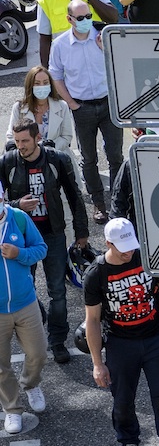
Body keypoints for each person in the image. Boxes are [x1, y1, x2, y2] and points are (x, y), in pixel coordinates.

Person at [82, 219, 159, 446]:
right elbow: (91, 320)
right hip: (121, 344)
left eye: (131, 246)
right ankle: (129, 442)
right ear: (108, 243)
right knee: (123, 399)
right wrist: (97, 364)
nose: (128, 252)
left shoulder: (146, 258)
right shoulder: (96, 274)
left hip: (155, 339)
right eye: (122, 247)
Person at [1, 122, 89, 367]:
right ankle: (37, 317)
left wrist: (81, 232)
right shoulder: (8, 161)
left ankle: (57, 341)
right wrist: (18, 205)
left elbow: (74, 195)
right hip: (22, 236)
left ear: (37, 138)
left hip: (53, 233)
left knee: (57, 291)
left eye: (25, 142)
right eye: (17, 142)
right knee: (26, 286)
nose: (21, 147)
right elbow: (1, 199)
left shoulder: (57, 159)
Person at [47, 0, 120, 224]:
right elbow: (56, 76)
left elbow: (119, 64)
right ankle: (98, 203)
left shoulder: (102, 37)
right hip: (83, 107)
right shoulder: (60, 46)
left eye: (89, 17)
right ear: (69, 19)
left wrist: (104, 50)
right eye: (81, 18)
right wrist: (71, 103)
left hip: (108, 103)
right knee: (89, 159)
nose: (87, 21)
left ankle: (119, 200)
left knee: (116, 156)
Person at [0, 193, 49, 436]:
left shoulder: (18, 218)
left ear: (2, 199)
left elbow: (41, 249)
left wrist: (19, 254)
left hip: (26, 302)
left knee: (38, 353)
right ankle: (12, 409)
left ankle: (30, 384)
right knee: (1, 366)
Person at [36, 0, 118, 70]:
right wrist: (46, 71)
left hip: (96, 56)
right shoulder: (46, 0)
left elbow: (113, 18)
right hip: (67, 61)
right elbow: (44, 39)